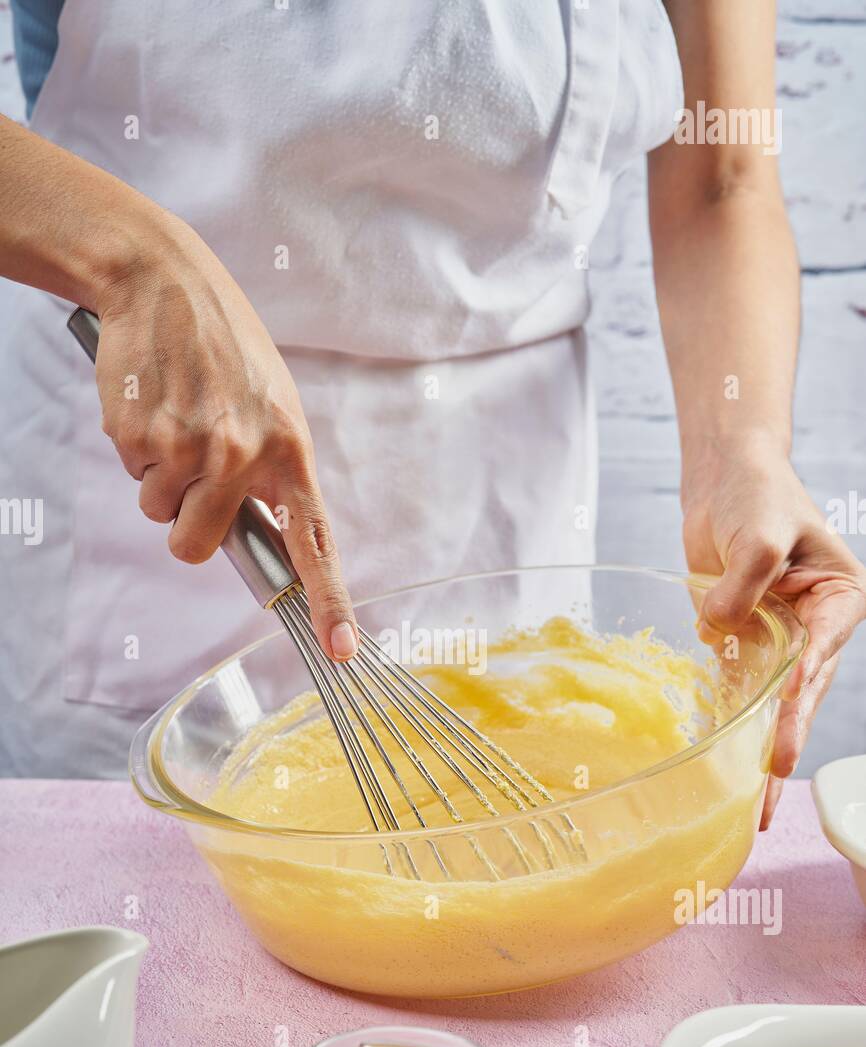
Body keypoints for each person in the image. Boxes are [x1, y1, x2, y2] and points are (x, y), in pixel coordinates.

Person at [0, 0, 863, 828]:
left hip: (501, 486)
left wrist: (740, 451)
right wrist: (133, 258)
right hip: (163, 439)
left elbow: (724, 175)